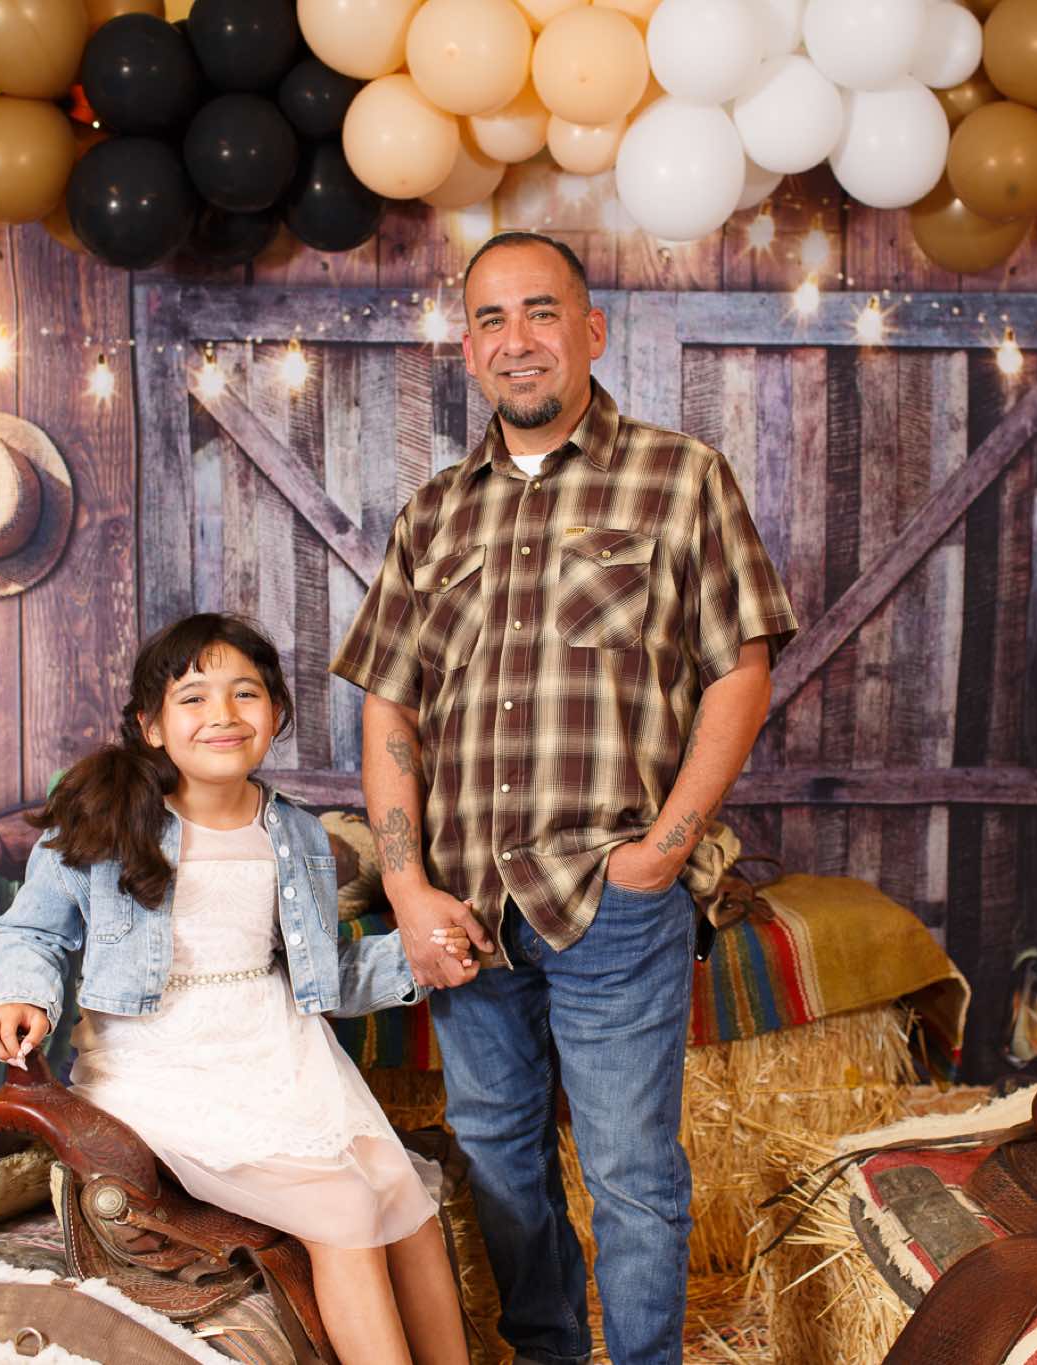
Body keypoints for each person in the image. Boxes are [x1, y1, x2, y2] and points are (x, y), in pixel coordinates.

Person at [331, 232, 797, 1365]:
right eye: (491, 320)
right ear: (467, 349)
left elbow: (741, 671)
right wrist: (407, 887)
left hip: (611, 898)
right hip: (466, 914)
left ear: (591, 331)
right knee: (498, 1160)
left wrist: (663, 852)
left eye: (541, 312)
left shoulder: (679, 478)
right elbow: (389, 708)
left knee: (631, 1173)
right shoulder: (433, 515)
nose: (517, 340)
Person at [0, 613, 467, 1365]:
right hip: (159, 1065)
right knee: (346, 1211)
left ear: (276, 713)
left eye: (246, 693)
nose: (223, 714)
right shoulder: (107, 819)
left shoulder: (296, 833)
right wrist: (20, 995)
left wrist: (422, 957)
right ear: (152, 726)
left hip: (286, 1058)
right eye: (193, 697)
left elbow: (321, 972)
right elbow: (33, 931)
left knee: (410, 1212)